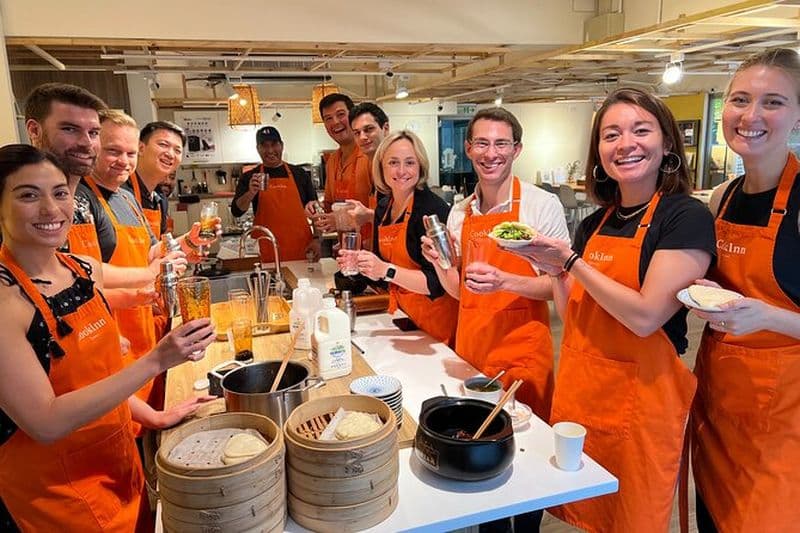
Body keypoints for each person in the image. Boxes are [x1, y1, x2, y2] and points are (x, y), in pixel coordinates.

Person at [516, 88, 714, 532]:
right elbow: (575, 317)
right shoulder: (595, 222)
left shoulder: (685, 217)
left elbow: (646, 317)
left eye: (641, 130)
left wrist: (572, 262)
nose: (626, 144)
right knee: (587, 514)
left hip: (643, 405)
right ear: (598, 152)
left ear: (667, 142)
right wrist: (555, 271)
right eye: (611, 135)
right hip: (586, 396)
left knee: (633, 517)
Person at [0, 144, 215, 531]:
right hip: (60, 497)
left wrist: (153, 415)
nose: (52, 209)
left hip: (120, 468)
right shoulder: (6, 303)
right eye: (28, 195)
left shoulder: (80, 269)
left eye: (60, 193)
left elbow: (96, 380)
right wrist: (156, 360)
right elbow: (45, 422)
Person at [688, 48, 800, 533]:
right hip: (720, 413)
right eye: (740, 99)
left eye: (773, 102)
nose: (751, 115)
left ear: (798, 115)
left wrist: (767, 317)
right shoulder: (723, 196)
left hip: (783, 428)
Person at [423, 107, 569, 418]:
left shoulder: (542, 205)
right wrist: (439, 263)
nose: (491, 154)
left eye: (501, 143)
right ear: (468, 149)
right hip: (470, 351)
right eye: (482, 143)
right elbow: (461, 292)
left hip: (522, 355)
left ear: (517, 149)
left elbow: (560, 285)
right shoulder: (460, 213)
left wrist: (505, 282)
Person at [340, 130, 458, 344]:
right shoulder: (384, 208)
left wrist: (386, 270)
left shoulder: (432, 210)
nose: (401, 171)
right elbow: (382, 273)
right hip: (403, 318)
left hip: (436, 327)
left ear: (420, 166)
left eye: (409, 162)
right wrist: (361, 265)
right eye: (393, 162)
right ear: (381, 168)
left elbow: (436, 283)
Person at [231, 126, 317, 262]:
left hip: (301, 248)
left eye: (274, 144)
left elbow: (315, 210)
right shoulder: (250, 177)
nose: (270, 150)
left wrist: (317, 239)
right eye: (264, 146)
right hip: (266, 248)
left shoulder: (299, 174)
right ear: (258, 149)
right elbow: (237, 211)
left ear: (281, 145)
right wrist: (251, 193)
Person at [306, 93, 372, 237]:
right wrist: (317, 207)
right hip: (346, 245)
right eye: (328, 118)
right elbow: (330, 205)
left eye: (340, 114)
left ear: (353, 116)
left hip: (372, 246)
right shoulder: (332, 161)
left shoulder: (370, 156)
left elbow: (385, 212)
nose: (335, 122)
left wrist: (341, 220)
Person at [127, 120, 185, 240]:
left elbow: (159, 245)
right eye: (163, 145)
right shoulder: (121, 190)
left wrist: (191, 242)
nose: (170, 154)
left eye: (177, 150)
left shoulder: (160, 200)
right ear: (141, 148)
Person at [346, 102, 391, 229]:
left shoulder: (395, 167)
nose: (362, 137)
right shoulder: (375, 168)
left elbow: (410, 214)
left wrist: (369, 216)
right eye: (357, 133)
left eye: (369, 129)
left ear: (385, 128)